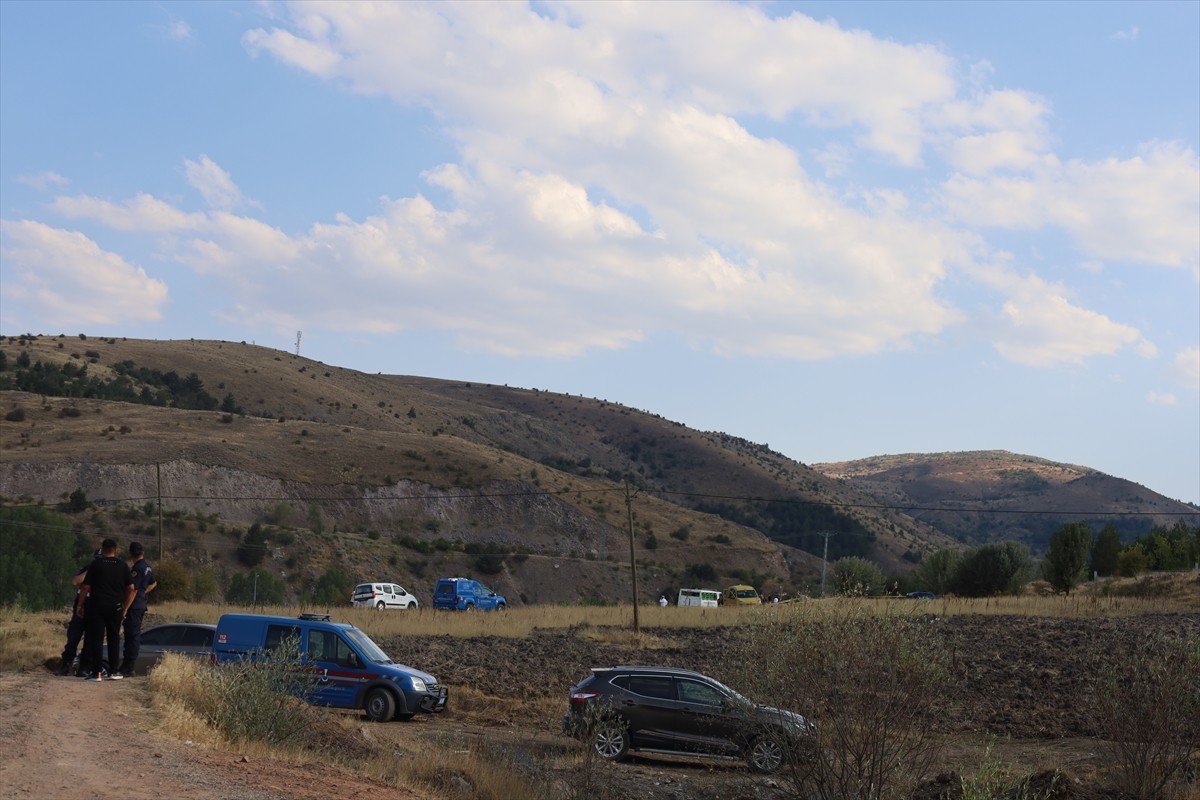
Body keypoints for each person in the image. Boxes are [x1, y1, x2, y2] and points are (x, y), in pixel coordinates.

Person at [76, 539, 135, 682]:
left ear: (102, 550)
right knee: (113, 638)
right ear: (116, 550)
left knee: (97, 638)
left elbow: (85, 587)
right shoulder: (122, 565)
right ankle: (114, 672)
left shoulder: (96, 564)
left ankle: (96, 673)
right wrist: (125, 607)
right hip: (115, 607)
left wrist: (80, 605)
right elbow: (132, 589)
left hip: (98, 605)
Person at [56, 549, 101, 676]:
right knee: (73, 637)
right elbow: (75, 581)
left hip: (95, 604)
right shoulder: (87, 569)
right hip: (81, 604)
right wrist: (90, 571)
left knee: (90, 640)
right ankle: (66, 665)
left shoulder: (107, 572)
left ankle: (84, 668)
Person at [116, 541, 156, 678]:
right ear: (142, 552)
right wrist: (144, 592)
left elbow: (132, 590)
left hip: (134, 606)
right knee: (133, 636)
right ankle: (128, 665)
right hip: (140, 604)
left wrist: (125, 608)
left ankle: (129, 666)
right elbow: (153, 583)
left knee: (131, 636)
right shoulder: (147, 567)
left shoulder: (136, 569)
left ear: (131, 554)